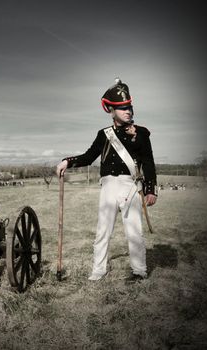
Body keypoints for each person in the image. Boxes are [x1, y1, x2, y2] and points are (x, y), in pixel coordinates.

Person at [56, 78, 157, 282]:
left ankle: (139, 271)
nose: (128, 111)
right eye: (122, 108)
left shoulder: (142, 133)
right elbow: (88, 157)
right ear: (111, 110)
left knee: (134, 232)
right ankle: (98, 270)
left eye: (129, 107)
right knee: (103, 231)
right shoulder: (104, 135)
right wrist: (68, 161)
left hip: (131, 186)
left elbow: (148, 163)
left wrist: (150, 189)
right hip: (108, 186)